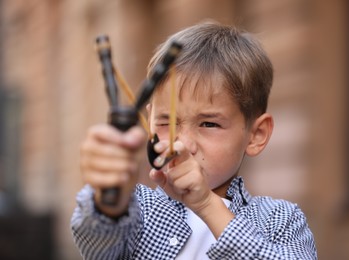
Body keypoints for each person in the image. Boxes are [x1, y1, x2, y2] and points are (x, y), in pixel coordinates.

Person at [71, 21, 317, 259]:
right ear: (149, 120)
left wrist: (207, 205)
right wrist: (110, 199)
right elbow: (97, 245)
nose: (184, 144)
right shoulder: (137, 209)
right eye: (166, 122)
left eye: (209, 124)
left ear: (256, 135)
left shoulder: (279, 219)